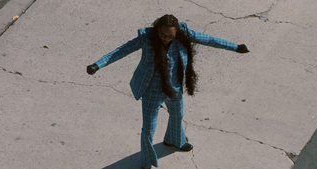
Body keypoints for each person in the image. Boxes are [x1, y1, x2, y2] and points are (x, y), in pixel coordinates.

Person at [87, 14, 249, 169]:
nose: (165, 39)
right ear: (157, 29)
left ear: (176, 32)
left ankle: (174, 140)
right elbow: (121, 51)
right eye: (162, 35)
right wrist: (98, 65)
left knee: (178, 115)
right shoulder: (147, 39)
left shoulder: (184, 35)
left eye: (170, 36)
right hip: (152, 89)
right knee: (149, 129)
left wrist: (236, 47)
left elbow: (211, 40)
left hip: (174, 87)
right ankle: (147, 161)